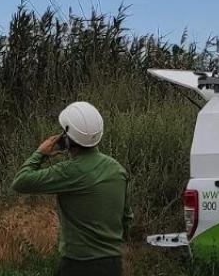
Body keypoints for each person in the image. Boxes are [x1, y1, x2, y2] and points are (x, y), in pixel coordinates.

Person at [11, 101, 132, 276]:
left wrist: (40, 154)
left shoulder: (69, 171)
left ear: (67, 139)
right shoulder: (117, 170)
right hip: (112, 264)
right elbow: (126, 217)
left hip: (78, 264)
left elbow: (20, 182)